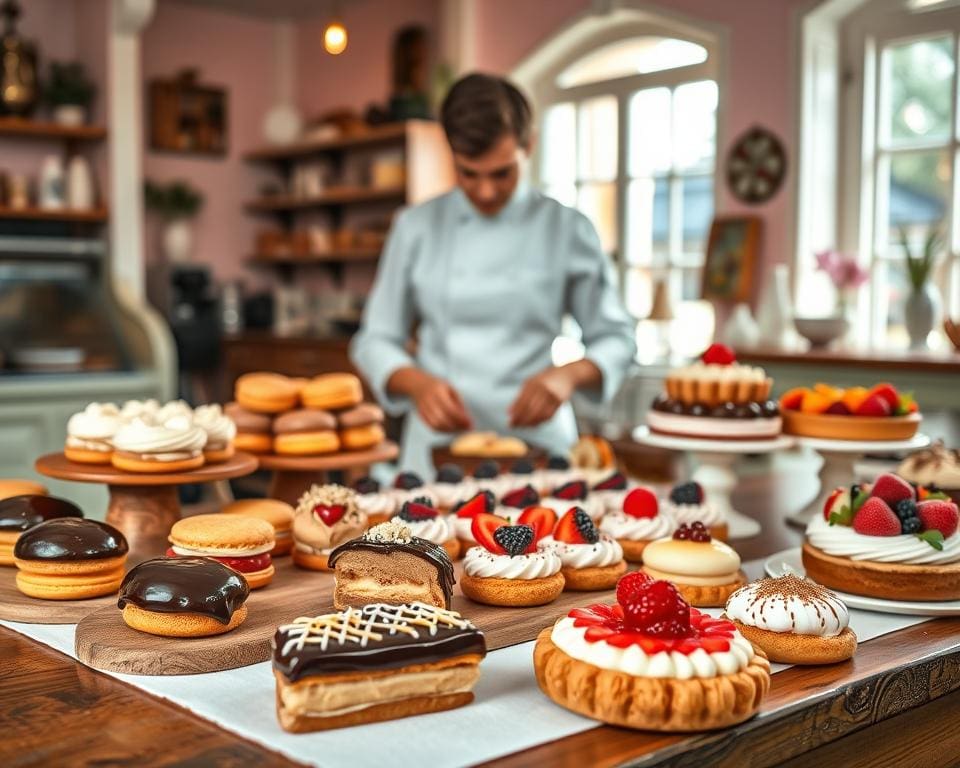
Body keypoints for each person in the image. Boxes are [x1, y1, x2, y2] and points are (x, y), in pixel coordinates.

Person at [350, 73, 636, 477]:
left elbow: (617, 338)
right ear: (451, 153)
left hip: (539, 443)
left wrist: (567, 376)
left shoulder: (568, 229)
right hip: (437, 446)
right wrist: (417, 384)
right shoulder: (414, 226)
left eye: (502, 173)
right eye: (469, 173)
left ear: (529, 145)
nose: (485, 192)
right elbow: (375, 339)